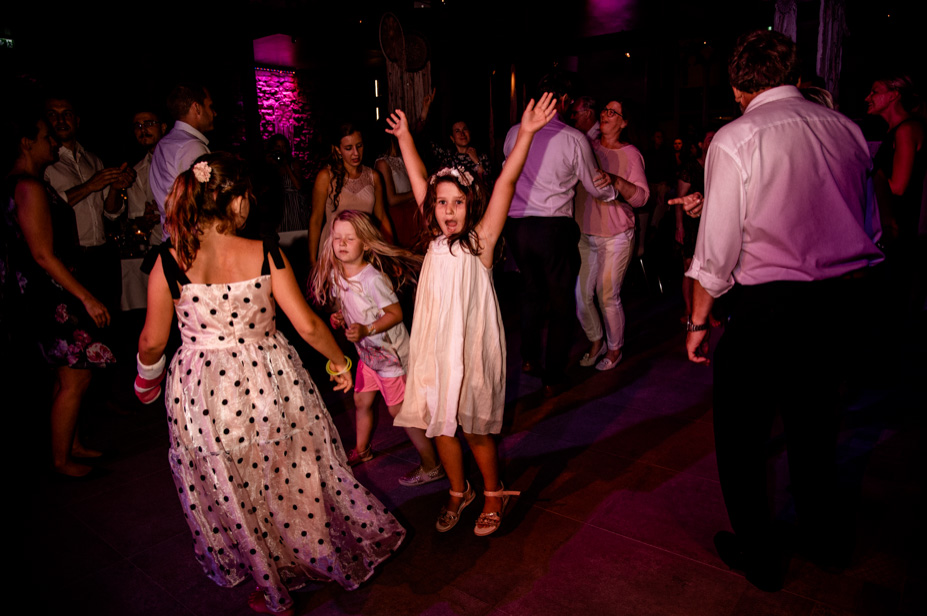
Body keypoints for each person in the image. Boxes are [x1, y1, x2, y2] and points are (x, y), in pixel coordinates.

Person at [136, 153, 405, 615]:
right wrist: (340, 363)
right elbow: (308, 326)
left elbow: (152, 340)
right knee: (287, 472)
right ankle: (307, 550)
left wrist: (148, 379)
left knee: (231, 483)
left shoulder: (169, 258)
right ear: (238, 202)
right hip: (269, 383)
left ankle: (268, 577)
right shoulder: (265, 252)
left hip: (204, 393)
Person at [671, 30, 883, 592]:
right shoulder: (849, 130)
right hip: (837, 304)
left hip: (767, 311)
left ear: (740, 85)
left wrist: (697, 323)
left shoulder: (737, 138)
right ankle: (827, 543)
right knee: (816, 432)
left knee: (741, 441)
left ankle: (760, 558)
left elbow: (715, 258)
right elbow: (868, 226)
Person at [386, 92, 557, 536]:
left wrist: (528, 134)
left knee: (476, 427)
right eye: (441, 203)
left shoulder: (480, 242)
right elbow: (419, 176)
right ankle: (458, 492)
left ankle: (494, 491)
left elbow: (505, 184)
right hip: (435, 348)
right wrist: (405, 135)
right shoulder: (433, 243)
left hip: (471, 347)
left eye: (457, 202)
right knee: (442, 424)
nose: (447, 210)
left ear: (470, 205)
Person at [2, 107, 115, 478]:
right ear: (26, 143)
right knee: (76, 375)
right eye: (45, 136)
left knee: (68, 373)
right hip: (50, 295)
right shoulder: (29, 186)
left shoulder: (24, 181)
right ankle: (61, 459)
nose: (52, 142)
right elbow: (42, 254)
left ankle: (71, 445)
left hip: (40, 292)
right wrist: (87, 296)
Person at [309, 210, 444, 486]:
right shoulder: (338, 275)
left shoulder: (372, 279)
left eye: (350, 238)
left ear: (366, 244)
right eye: (337, 238)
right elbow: (348, 308)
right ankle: (362, 450)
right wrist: (340, 318)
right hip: (367, 357)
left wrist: (367, 329)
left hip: (390, 358)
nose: (342, 243)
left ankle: (432, 465)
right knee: (361, 401)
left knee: (401, 413)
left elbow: (395, 313)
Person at [502, 73, 617, 395]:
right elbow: (594, 185)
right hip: (552, 226)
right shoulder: (572, 138)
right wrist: (614, 194)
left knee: (530, 292)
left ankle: (527, 358)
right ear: (564, 101)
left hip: (517, 225)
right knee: (561, 300)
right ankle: (553, 374)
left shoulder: (514, 133)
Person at [575, 99, 649, 371]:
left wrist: (617, 181)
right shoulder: (586, 146)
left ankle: (615, 348)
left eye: (613, 112)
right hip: (586, 233)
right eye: (604, 110)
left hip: (617, 234)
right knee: (582, 297)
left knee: (606, 295)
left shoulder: (630, 154)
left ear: (624, 122)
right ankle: (597, 341)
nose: (606, 114)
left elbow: (642, 198)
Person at [44, 96, 134, 306]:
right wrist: (89, 186)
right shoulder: (46, 164)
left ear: (77, 120)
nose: (60, 120)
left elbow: (110, 212)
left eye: (66, 114)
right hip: (70, 257)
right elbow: (49, 209)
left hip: (101, 253)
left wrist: (114, 188)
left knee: (110, 312)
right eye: (52, 115)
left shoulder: (92, 159)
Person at [308, 123, 393, 265]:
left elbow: (382, 216)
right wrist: (312, 259)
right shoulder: (325, 177)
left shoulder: (374, 177)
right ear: (338, 149)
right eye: (348, 148)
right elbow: (316, 220)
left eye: (359, 146)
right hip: (335, 251)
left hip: (365, 250)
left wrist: (391, 252)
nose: (356, 153)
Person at [149, 83, 216, 244]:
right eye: (210, 106)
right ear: (197, 108)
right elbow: (205, 201)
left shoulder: (165, 144)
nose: (214, 113)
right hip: (192, 244)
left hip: (174, 240)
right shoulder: (191, 146)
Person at [675, 128, 716, 322]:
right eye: (709, 138)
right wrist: (679, 226)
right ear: (701, 144)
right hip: (692, 222)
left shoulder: (719, 165)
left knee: (710, 267)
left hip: (712, 221)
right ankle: (689, 310)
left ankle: (708, 311)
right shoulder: (691, 166)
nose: (712, 141)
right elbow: (680, 199)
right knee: (689, 266)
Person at [127, 109, 167, 242]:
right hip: (159, 244)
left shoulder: (180, 158)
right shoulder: (137, 172)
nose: (143, 129)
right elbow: (138, 221)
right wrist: (148, 218)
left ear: (163, 127)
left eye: (149, 124)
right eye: (138, 126)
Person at [375, 136, 418, 248]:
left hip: (412, 213)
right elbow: (391, 199)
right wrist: (415, 193)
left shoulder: (403, 158)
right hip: (398, 217)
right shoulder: (383, 163)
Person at [264, 134, 308, 232]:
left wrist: (286, 165)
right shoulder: (270, 164)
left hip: (294, 206)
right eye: (278, 147)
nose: (281, 150)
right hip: (278, 205)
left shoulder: (294, 164)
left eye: (284, 147)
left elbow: (298, 186)